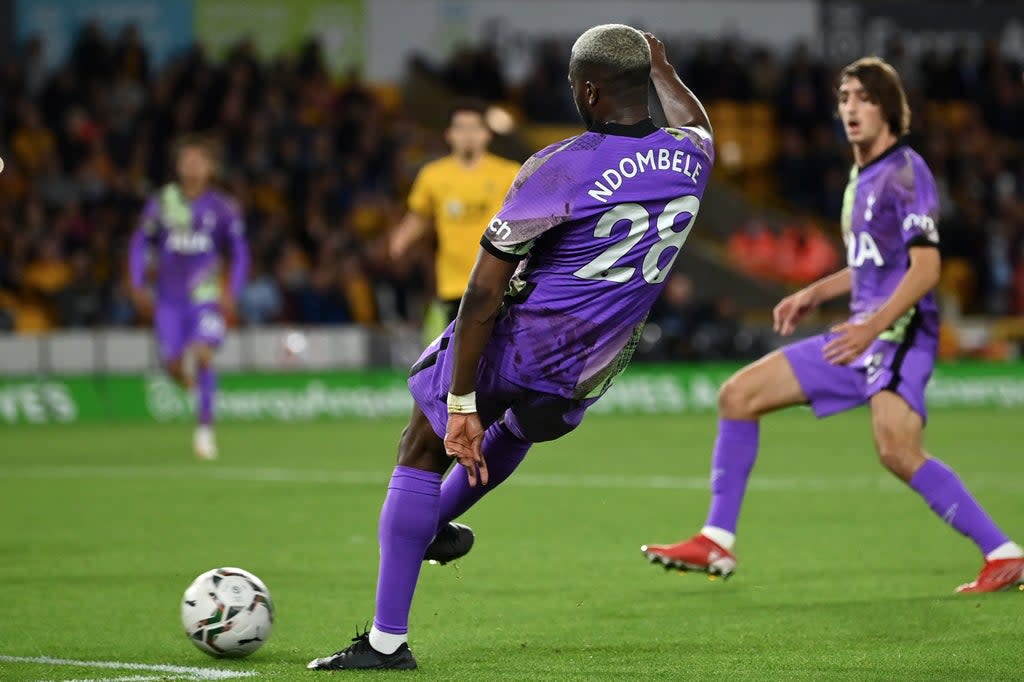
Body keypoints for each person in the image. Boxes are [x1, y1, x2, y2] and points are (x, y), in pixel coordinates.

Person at [307, 25, 714, 671]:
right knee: (521, 427)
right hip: (590, 368)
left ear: (587, 89)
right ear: (647, 83)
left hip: (521, 344)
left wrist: (462, 399)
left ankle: (386, 640)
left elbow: (481, 295)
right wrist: (663, 64)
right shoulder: (692, 156)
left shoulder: (564, 164)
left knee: (422, 445)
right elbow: (699, 121)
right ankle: (435, 527)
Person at [641, 57, 1024, 594]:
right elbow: (873, 263)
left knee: (897, 450)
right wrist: (815, 292)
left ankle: (1005, 554)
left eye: (863, 98)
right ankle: (717, 539)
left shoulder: (905, 171)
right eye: (844, 97)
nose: (850, 108)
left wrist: (872, 328)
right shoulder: (861, 177)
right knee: (738, 396)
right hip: (860, 335)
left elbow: (926, 269)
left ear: (888, 108)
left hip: (898, 335)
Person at [128, 135, 249, 459]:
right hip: (168, 300)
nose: (193, 166)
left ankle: (205, 431)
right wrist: (137, 282)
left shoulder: (223, 207)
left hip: (204, 296)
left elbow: (239, 253)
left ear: (211, 167)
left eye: (200, 160)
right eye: (188, 160)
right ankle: (189, 382)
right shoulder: (161, 203)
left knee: (204, 353)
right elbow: (140, 243)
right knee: (172, 365)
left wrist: (231, 291)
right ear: (178, 165)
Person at [389, 100, 519, 339]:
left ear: (486, 134)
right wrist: (400, 240)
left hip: (498, 282)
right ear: (449, 134)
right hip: (454, 284)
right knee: (458, 357)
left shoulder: (509, 173)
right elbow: (420, 216)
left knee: (499, 354)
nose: (468, 135)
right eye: (461, 128)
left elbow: (526, 219)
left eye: (474, 128)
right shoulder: (433, 175)